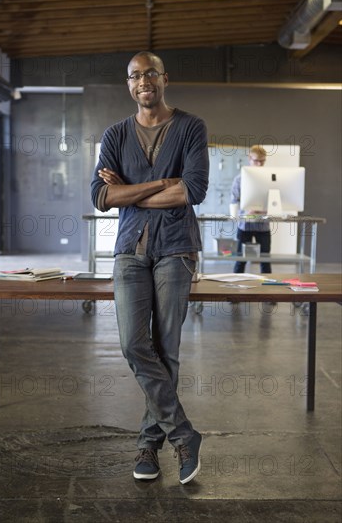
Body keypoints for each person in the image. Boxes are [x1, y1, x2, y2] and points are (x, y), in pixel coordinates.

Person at [91, 51, 209, 484]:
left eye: (151, 73)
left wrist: (130, 190)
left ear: (164, 79)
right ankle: (183, 433)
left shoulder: (191, 127)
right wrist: (162, 183)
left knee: (166, 349)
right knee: (133, 344)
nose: (144, 81)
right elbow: (100, 198)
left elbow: (191, 189)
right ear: (129, 84)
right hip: (129, 251)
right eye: (135, 75)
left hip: (176, 249)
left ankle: (148, 445)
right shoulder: (115, 134)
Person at [230, 145, 272, 274]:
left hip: (263, 226)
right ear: (249, 158)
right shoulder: (239, 179)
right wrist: (244, 212)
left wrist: (265, 210)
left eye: (262, 161)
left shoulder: (271, 178)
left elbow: (276, 201)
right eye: (256, 160)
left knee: (265, 260)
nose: (259, 164)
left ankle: (267, 291)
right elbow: (234, 201)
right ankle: (235, 290)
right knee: (240, 260)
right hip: (245, 225)